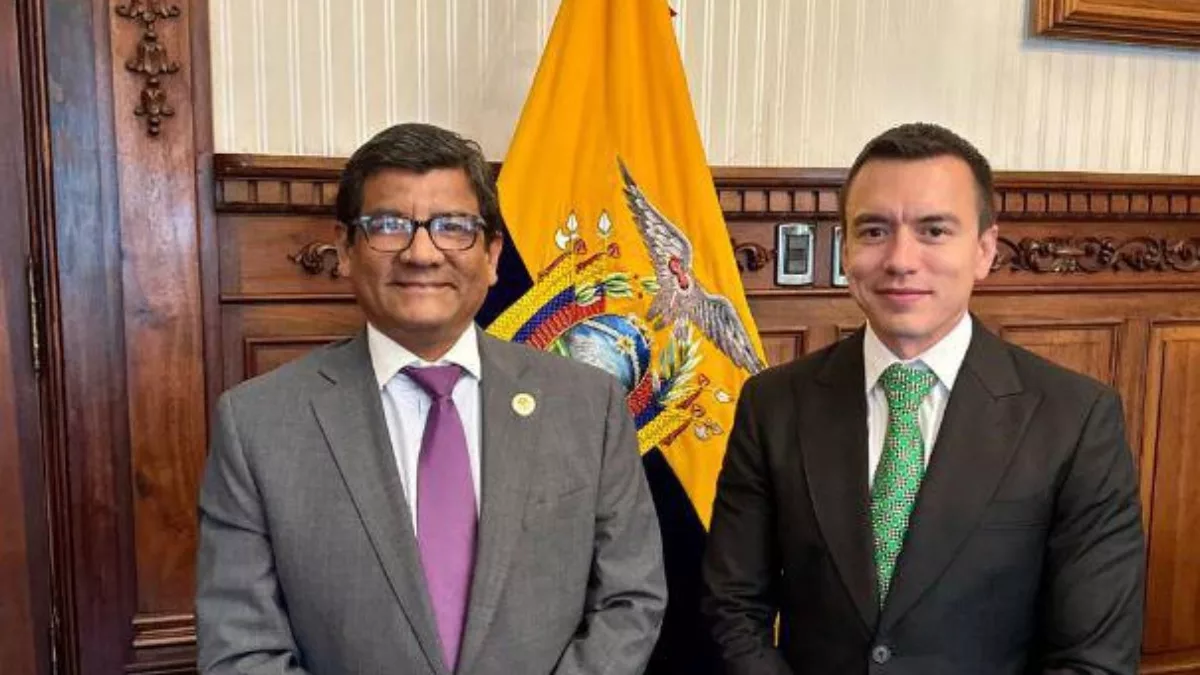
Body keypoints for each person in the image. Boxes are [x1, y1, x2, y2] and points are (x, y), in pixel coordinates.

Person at [196, 122, 666, 675]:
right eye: (389, 225)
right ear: (345, 249)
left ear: (492, 254)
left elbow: (630, 598)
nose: (422, 253)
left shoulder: (589, 405)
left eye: (453, 227)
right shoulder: (257, 424)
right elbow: (241, 648)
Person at [701, 122, 1144, 674]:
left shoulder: (1076, 420)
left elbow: (1093, 659)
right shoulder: (773, 404)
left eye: (934, 230)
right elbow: (732, 609)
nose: (900, 260)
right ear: (846, 248)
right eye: (874, 230)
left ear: (984, 250)